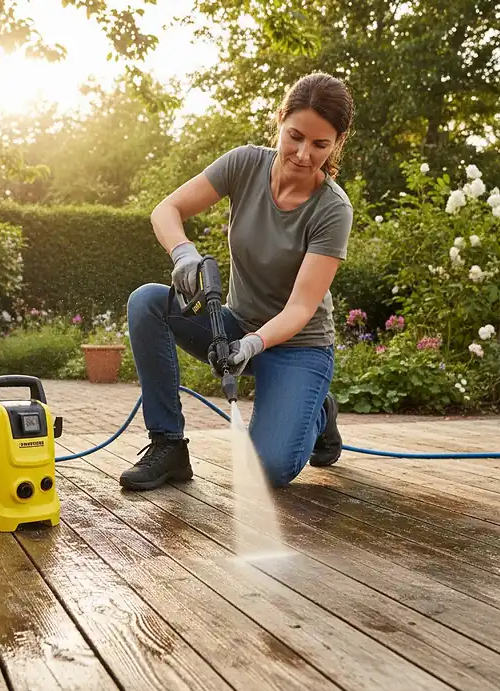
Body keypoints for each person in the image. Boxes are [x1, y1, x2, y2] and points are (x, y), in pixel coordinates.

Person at [120, 72, 355, 491]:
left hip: (297, 347)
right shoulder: (245, 163)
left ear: (337, 143)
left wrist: (254, 343)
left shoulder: (332, 209)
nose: (303, 154)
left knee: (270, 470)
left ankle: (319, 412)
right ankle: (168, 444)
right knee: (148, 302)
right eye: (295, 136)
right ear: (280, 120)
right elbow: (166, 210)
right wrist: (184, 254)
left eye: (320, 144)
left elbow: (301, 308)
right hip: (232, 325)